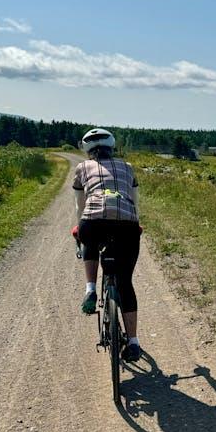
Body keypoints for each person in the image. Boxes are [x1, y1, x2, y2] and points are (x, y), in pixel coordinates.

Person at [72, 128, 141, 362]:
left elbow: (80, 205)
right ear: (112, 148)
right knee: (125, 283)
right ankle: (133, 342)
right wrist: (135, 224)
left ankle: (90, 289)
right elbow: (135, 201)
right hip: (127, 225)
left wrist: (78, 229)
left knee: (88, 236)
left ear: (88, 151)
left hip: (92, 220)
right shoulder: (128, 167)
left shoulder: (82, 168)